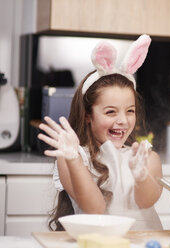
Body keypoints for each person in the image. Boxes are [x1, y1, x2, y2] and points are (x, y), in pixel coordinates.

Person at [38, 34, 163, 231]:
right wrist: (73, 160)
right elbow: (95, 209)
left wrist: (141, 177)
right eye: (110, 112)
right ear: (88, 115)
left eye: (130, 111)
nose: (122, 120)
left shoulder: (147, 158)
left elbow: (146, 201)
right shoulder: (73, 158)